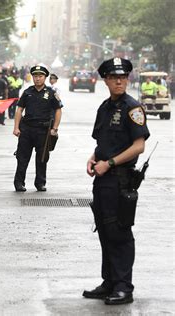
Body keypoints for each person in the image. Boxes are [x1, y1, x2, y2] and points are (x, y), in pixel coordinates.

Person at [83, 57, 150, 305]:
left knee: (119, 232)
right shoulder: (105, 107)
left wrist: (109, 163)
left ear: (128, 79)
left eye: (123, 77)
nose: (119, 81)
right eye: (113, 77)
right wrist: (94, 158)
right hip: (102, 180)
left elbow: (139, 146)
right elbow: (102, 143)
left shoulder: (132, 108)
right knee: (104, 230)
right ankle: (109, 281)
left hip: (120, 180)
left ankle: (124, 287)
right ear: (106, 80)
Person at [13, 65, 62, 192]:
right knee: (22, 157)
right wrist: (16, 127)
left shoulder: (51, 93)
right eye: (35, 76)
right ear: (32, 77)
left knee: (42, 158)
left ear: (45, 77)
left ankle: (40, 183)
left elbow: (58, 110)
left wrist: (55, 128)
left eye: (40, 76)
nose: (38, 79)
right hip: (27, 129)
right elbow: (19, 109)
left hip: (44, 131)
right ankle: (19, 183)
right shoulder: (27, 92)